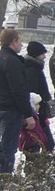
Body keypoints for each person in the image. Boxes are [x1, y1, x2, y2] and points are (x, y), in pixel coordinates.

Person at [0, 28, 35, 173]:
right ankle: (5, 180)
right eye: (20, 41)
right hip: (10, 109)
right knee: (8, 147)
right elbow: (18, 90)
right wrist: (28, 114)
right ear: (13, 42)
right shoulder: (12, 61)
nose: (22, 45)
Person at [24, 41, 55, 151]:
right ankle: (41, 166)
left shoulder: (35, 68)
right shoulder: (32, 70)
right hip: (36, 113)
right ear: (36, 54)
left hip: (39, 111)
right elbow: (32, 93)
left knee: (40, 142)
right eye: (42, 54)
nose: (44, 56)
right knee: (45, 142)